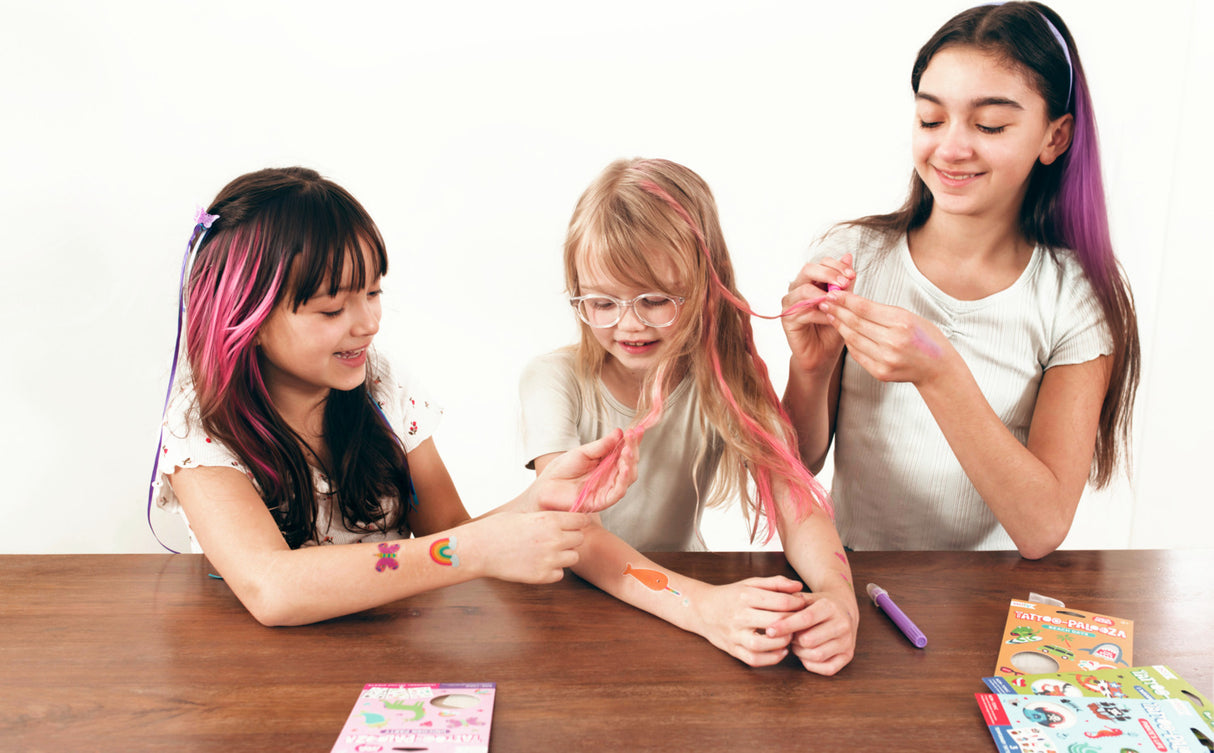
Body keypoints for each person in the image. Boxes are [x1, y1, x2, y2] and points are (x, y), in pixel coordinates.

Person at [152, 167, 636, 627]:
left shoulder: (379, 386)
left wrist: (538, 499)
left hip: (393, 655)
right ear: (247, 318)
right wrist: (475, 551)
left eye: (373, 292)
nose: (368, 323)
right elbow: (272, 588)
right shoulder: (200, 424)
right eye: (332, 308)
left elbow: (445, 529)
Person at [781, 2, 1140, 559]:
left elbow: (1041, 528)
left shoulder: (1076, 299)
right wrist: (811, 367)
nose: (950, 147)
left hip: (989, 603)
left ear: (1055, 136)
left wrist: (939, 372)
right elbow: (798, 463)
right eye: (930, 119)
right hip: (855, 587)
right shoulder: (854, 257)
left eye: (990, 124)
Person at [520, 158, 857, 675]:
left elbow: (794, 496)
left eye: (655, 300)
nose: (628, 323)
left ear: (705, 285)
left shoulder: (724, 377)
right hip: (573, 610)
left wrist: (837, 597)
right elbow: (575, 535)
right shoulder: (553, 380)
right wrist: (703, 606)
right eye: (601, 302)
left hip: (676, 604)